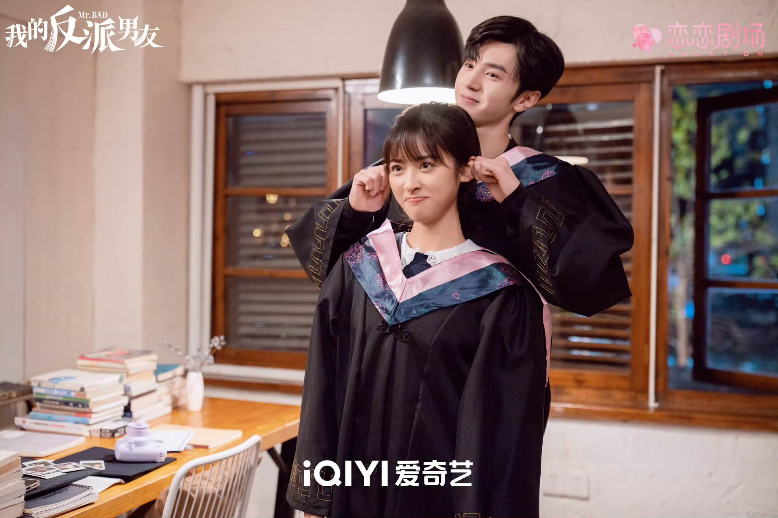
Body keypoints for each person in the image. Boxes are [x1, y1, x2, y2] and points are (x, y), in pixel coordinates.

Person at [286, 102, 548, 517]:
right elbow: (322, 386)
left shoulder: (500, 294)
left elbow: (503, 431)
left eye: (426, 164)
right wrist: (315, 498)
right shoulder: (359, 268)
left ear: (465, 170)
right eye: (397, 167)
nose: (409, 183)